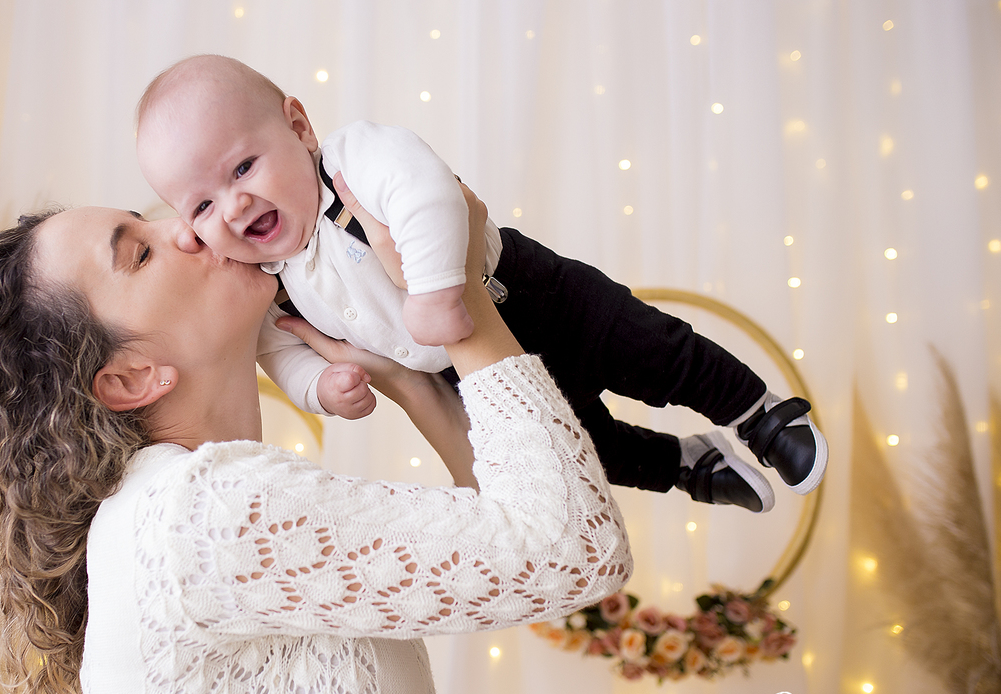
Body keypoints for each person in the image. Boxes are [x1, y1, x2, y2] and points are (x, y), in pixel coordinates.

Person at [0, 179, 632, 694]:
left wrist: (412, 383)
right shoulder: (204, 509)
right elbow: (574, 550)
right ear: (131, 378)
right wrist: (456, 291)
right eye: (140, 253)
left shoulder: (178, 504)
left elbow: (517, 531)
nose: (187, 227)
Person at [134, 54, 830, 515]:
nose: (233, 207)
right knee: (578, 449)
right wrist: (320, 387)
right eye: (202, 206)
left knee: (656, 352)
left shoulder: (350, 162)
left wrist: (438, 290)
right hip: (469, 374)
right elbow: (279, 351)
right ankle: (684, 465)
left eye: (243, 168)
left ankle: (761, 415)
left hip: (531, 295)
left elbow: (430, 194)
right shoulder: (263, 283)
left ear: (298, 127)